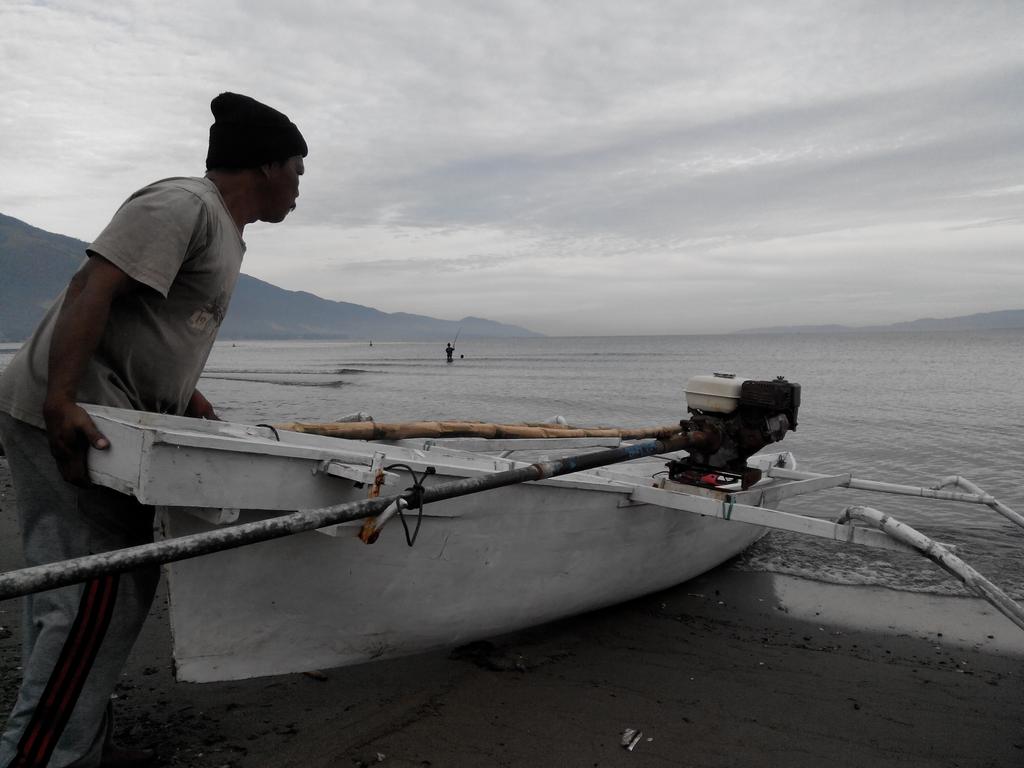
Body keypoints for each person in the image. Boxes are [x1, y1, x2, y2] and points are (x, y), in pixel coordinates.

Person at [0, 92, 307, 767]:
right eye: (298, 170)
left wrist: (187, 397)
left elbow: (150, 325)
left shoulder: (223, 229)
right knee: (97, 594)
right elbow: (92, 288)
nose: (300, 188)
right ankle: (43, 755)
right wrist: (60, 402)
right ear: (265, 165)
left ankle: (68, 735)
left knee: (82, 588)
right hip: (76, 420)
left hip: (105, 416)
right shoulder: (183, 206)